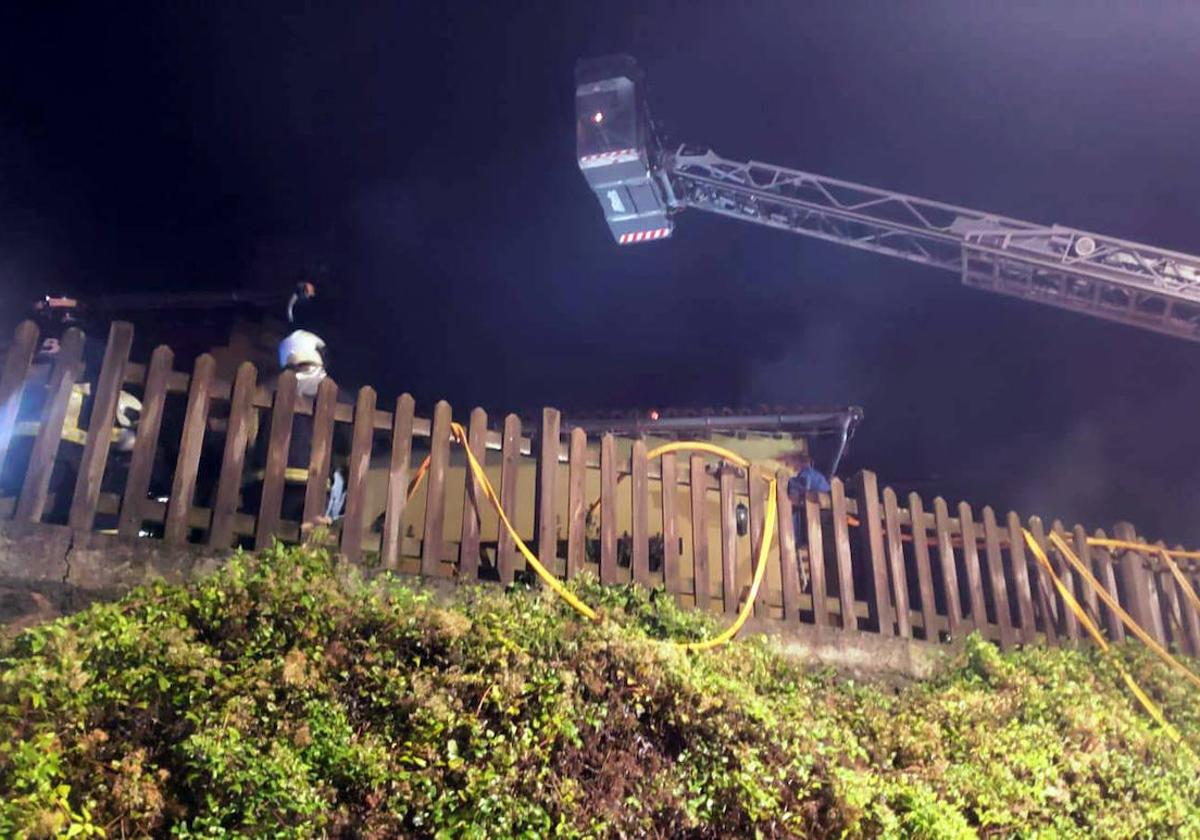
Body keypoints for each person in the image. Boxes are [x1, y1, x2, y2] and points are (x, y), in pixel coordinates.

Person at [781, 449, 831, 593]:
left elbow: (801, 490)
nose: (788, 464)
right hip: (820, 527)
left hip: (810, 527)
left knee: (813, 568)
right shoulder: (819, 478)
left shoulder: (807, 475)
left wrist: (789, 483)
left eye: (790, 461)